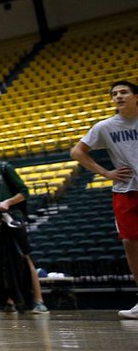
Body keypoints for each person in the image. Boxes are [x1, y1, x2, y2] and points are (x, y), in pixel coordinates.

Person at [71, 80, 138, 320]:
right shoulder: (105, 126)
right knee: (130, 243)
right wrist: (106, 173)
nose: (118, 96)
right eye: (114, 94)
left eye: (123, 92)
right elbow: (77, 151)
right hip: (125, 191)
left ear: (136, 96)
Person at [0, 138, 48, 314]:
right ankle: (6, 302)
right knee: (0, 262)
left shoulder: (5, 168)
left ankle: (38, 301)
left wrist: (8, 202)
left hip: (13, 219)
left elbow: (24, 192)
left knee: (25, 258)